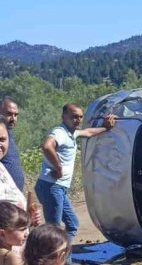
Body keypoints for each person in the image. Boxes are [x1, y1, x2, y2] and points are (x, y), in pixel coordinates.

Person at [35, 104, 116, 247]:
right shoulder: (60, 132)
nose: (77, 120)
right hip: (51, 186)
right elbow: (47, 146)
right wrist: (58, 167)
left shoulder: (71, 133)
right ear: (63, 117)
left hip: (58, 188)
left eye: (80, 116)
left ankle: (64, 260)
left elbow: (88, 132)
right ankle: (50, 263)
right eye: (73, 116)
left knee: (72, 224)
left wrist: (105, 127)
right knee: (53, 229)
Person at [0, 97, 24, 191]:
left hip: (12, 197)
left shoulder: (8, 134)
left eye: (16, 115)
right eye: (9, 114)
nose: (13, 118)